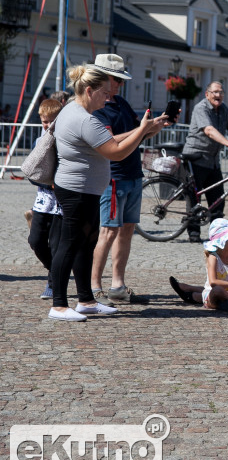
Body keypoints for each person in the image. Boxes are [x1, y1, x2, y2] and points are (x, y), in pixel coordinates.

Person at [47, 63, 162, 322]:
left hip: (85, 189)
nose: (107, 97)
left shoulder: (74, 111)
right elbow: (116, 151)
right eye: (103, 93)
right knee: (69, 243)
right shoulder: (84, 119)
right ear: (89, 91)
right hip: (76, 189)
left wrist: (142, 130)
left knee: (86, 243)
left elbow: (115, 144)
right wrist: (143, 129)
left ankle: (86, 300)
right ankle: (58, 304)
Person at [91, 54, 167, 305]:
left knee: (126, 231)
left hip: (133, 175)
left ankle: (117, 285)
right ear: (102, 78)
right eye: (117, 80)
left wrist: (153, 126)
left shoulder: (121, 103)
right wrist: (143, 128)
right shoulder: (97, 108)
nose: (120, 85)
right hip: (113, 178)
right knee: (108, 231)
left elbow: (137, 137)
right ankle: (94, 287)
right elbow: (112, 141)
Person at [181, 81, 228, 242]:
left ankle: (218, 233)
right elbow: (209, 130)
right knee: (194, 198)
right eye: (214, 92)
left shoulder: (223, 109)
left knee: (217, 200)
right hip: (196, 156)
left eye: (221, 92)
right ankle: (193, 233)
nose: (218, 95)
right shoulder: (201, 108)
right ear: (207, 94)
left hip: (212, 160)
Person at [27, 99, 65, 299]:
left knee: (56, 244)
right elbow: (35, 170)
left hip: (61, 199)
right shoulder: (39, 140)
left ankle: (53, 283)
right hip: (44, 197)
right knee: (35, 240)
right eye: (44, 122)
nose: (48, 126)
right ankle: (57, 270)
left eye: (52, 121)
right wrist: (44, 182)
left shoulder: (64, 139)